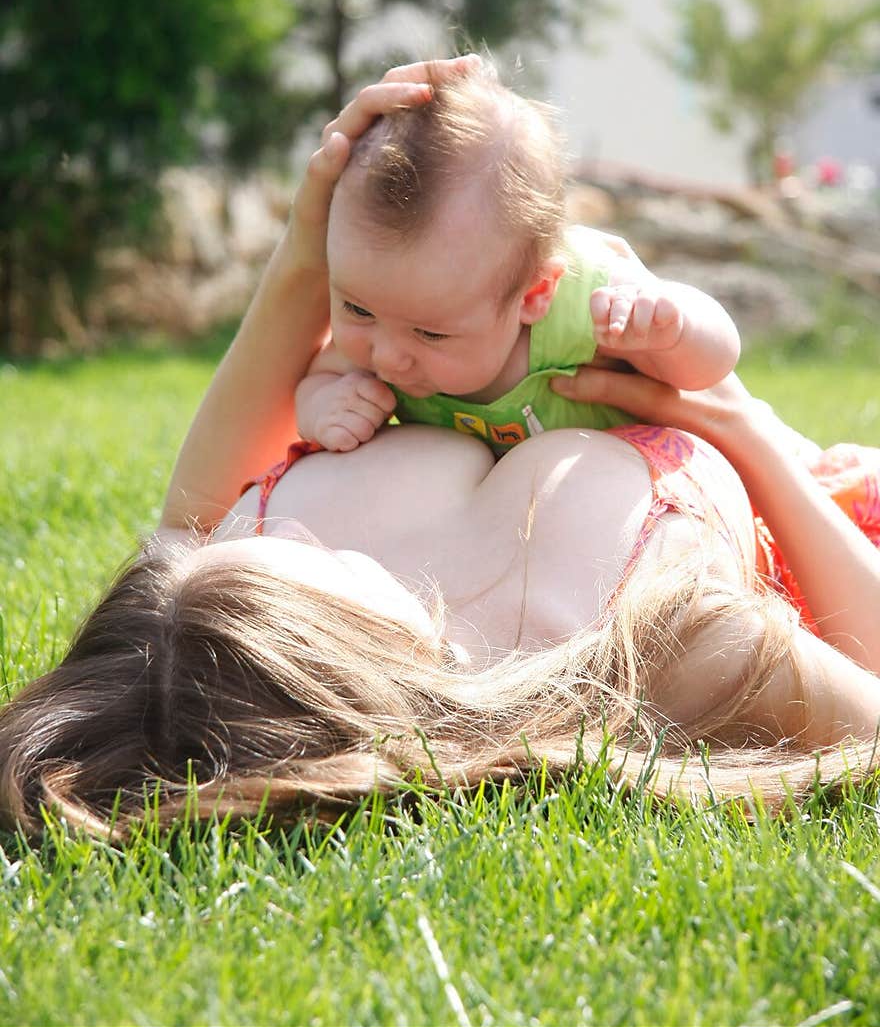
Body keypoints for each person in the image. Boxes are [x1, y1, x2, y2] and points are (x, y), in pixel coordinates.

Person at [1, 58, 879, 842]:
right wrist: (744, 435)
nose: (283, 535)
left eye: (250, 546)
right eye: (276, 572)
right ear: (333, 657)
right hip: (792, 486)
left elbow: (183, 531)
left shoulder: (211, 611)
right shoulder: (641, 644)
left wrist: (316, 240)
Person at [294, 58, 741, 454]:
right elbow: (319, 379)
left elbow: (712, 365)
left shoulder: (590, 300)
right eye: (356, 308)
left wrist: (672, 327)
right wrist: (324, 407)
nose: (388, 358)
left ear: (535, 292)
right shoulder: (383, 330)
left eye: (430, 334)